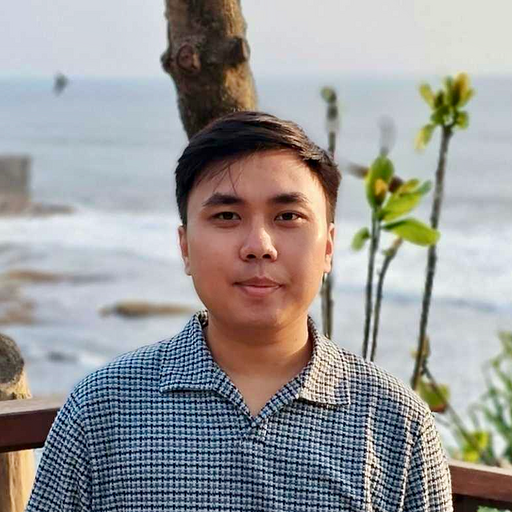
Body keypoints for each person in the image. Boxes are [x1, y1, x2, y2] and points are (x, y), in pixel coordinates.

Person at [26, 111, 453, 511]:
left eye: (288, 216)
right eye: (227, 215)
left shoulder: (396, 421)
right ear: (185, 247)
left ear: (328, 247)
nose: (259, 246)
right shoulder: (102, 408)